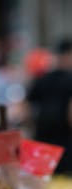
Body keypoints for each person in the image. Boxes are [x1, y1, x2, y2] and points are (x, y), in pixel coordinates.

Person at [26, 38, 72, 175]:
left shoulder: (42, 79)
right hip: (66, 142)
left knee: (42, 182)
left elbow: (27, 109)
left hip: (42, 141)